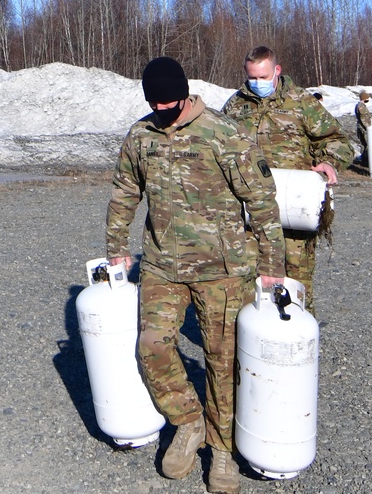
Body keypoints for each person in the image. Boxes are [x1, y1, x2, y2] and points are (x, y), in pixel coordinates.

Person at [107, 57, 285, 494]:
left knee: (222, 362)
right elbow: (126, 192)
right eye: (155, 103)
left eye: (171, 103)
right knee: (152, 347)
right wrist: (115, 248)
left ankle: (222, 450)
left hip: (223, 271)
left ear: (186, 95)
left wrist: (272, 265)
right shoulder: (141, 134)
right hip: (162, 266)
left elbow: (261, 200)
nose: (163, 111)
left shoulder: (223, 133)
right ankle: (188, 422)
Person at [222, 46, 352, 313]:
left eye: (263, 77)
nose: (257, 83)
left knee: (295, 286)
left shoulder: (301, 102)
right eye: (252, 78)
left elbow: (338, 141)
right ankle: (251, 348)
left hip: (295, 210)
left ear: (277, 71)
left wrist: (330, 162)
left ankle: (298, 345)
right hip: (250, 215)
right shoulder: (236, 105)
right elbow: (219, 147)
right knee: (248, 287)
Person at [354, 91, 372, 161]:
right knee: (367, 144)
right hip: (363, 128)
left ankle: (365, 159)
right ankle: (367, 160)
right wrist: (368, 127)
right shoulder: (361, 106)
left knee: (365, 144)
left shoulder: (360, 106)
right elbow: (363, 118)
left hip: (362, 127)